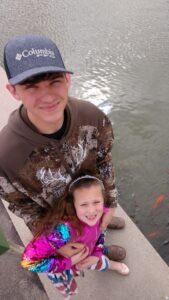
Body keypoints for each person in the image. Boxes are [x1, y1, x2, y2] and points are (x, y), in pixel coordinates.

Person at [0, 34, 125, 262]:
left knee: (99, 220)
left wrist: (110, 203)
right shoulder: (5, 157)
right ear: (13, 91)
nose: (47, 96)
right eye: (31, 86)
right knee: (82, 245)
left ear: (67, 79)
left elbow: (104, 161)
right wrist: (54, 242)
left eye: (54, 81)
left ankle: (100, 226)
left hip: (93, 199)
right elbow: (24, 207)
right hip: (62, 222)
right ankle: (98, 250)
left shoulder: (92, 117)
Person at [21, 175, 129, 298]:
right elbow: (29, 262)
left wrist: (97, 253)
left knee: (99, 262)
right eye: (84, 204)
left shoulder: (102, 213)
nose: (92, 210)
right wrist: (70, 261)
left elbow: (101, 232)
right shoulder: (62, 231)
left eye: (96, 202)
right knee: (71, 286)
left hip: (90, 252)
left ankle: (111, 265)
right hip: (69, 261)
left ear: (103, 200)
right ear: (73, 205)